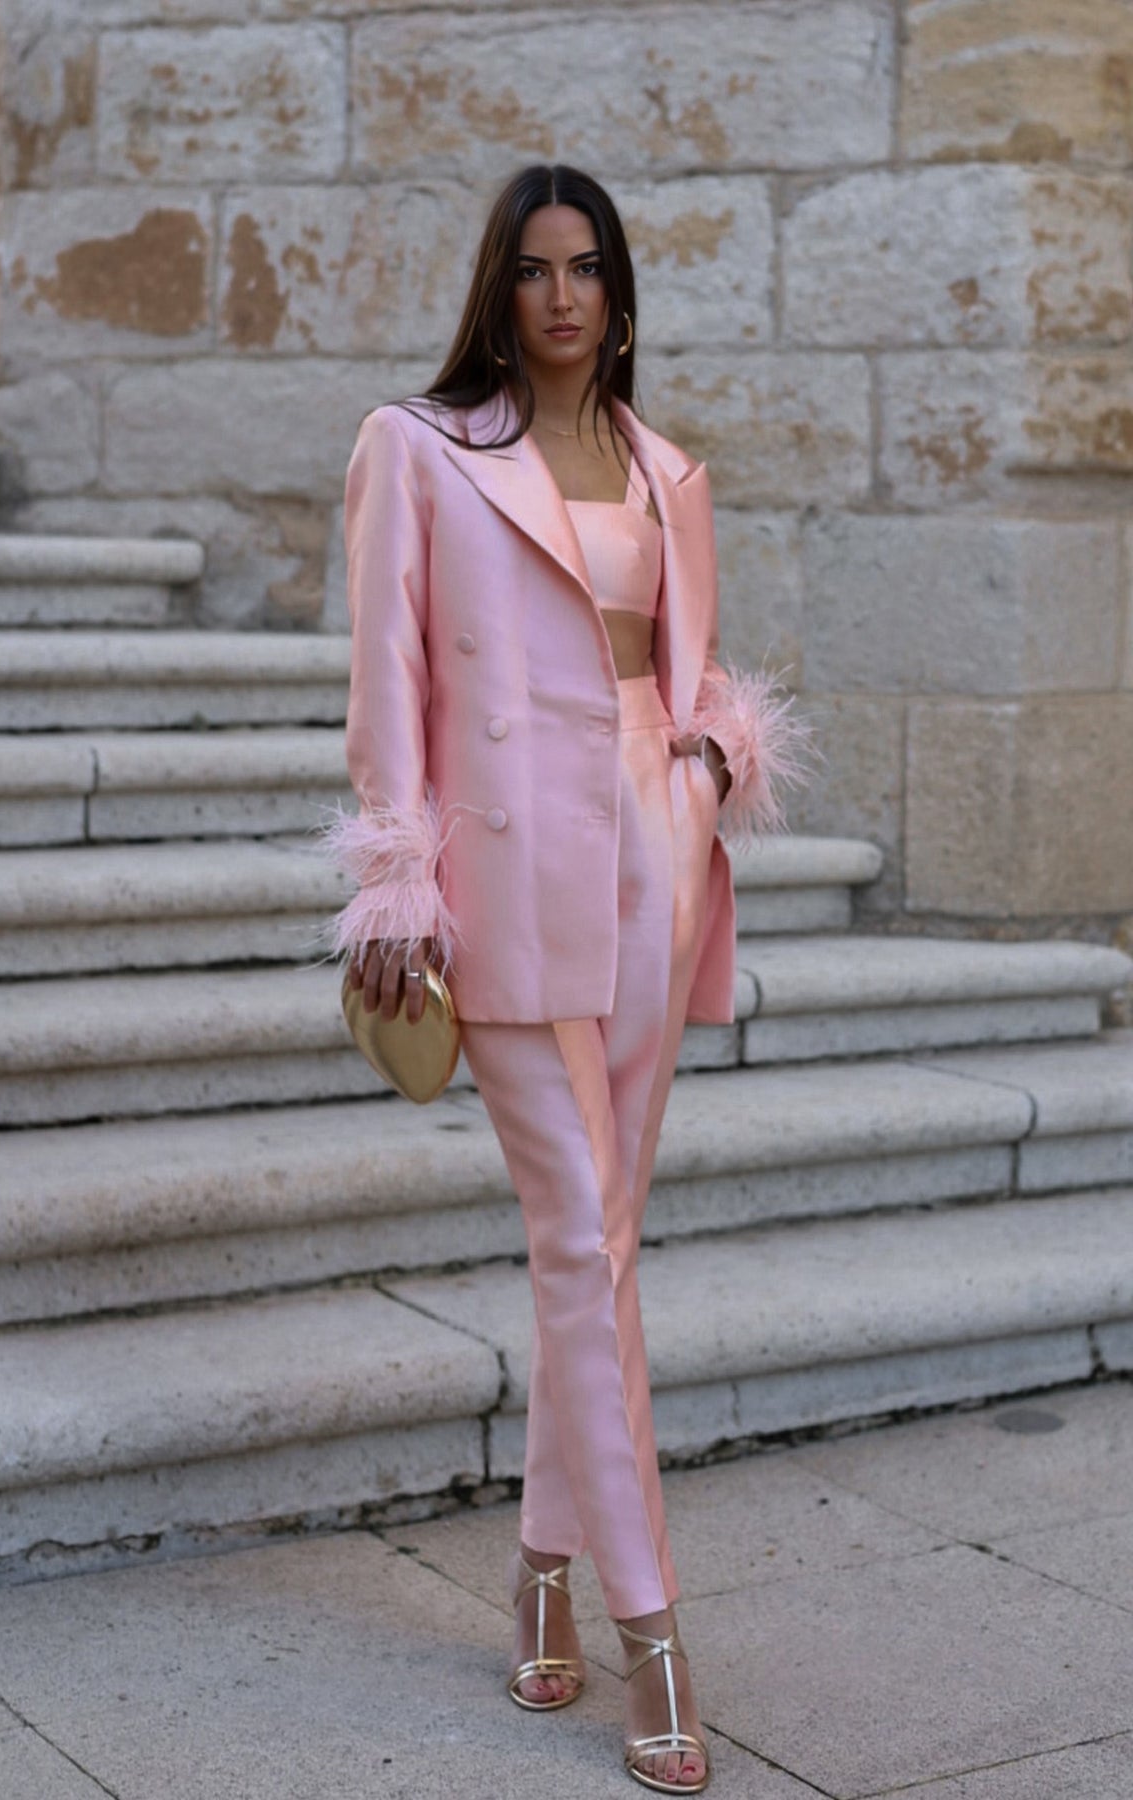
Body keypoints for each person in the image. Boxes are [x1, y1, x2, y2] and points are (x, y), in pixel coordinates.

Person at [324, 163, 806, 1795]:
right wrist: (401, 872)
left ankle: (536, 1563)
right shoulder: (420, 450)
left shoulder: (671, 471)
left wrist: (707, 757)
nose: (560, 297)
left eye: (588, 268)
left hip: (652, 868)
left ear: (617, 290)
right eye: (532, 269)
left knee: (595, 1249)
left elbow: (687, 667)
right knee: (582, 1234)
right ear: (497, 286)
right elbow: (387, 677)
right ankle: (653, 1629)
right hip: (508, 873)